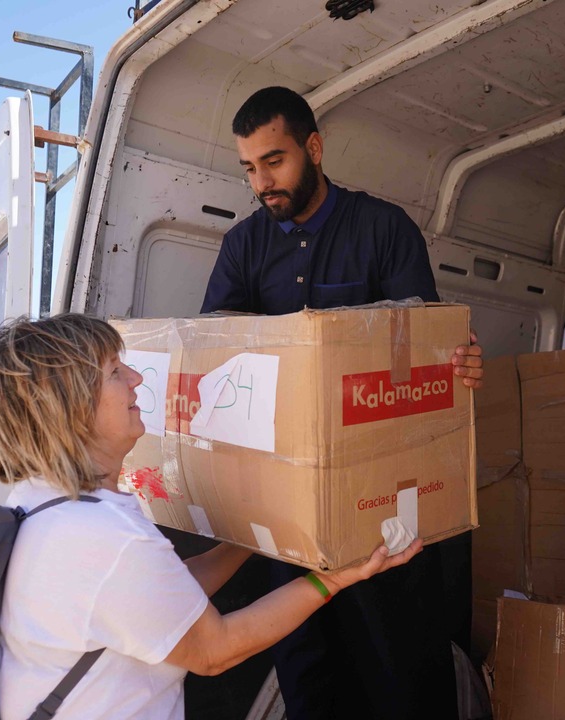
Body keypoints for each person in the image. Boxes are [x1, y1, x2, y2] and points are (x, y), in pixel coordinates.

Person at [0, 313, 420, 720]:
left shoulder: (41, 505)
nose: (135, 378)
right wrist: (333, 580)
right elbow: (215, 649)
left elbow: (162, 593)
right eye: (114, 372)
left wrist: (251, 539)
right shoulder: (103, 538)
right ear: (71, 408)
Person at [201, 86, 484, 720]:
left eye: (274, 161)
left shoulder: (384, 228)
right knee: (309, 678)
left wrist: (459, 361)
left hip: (383, 506)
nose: (261, 183)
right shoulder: (242, 246)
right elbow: (214, 351)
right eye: (249, 168)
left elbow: (424, 347)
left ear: (314, 147)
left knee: (399, 674)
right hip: (288, 513)